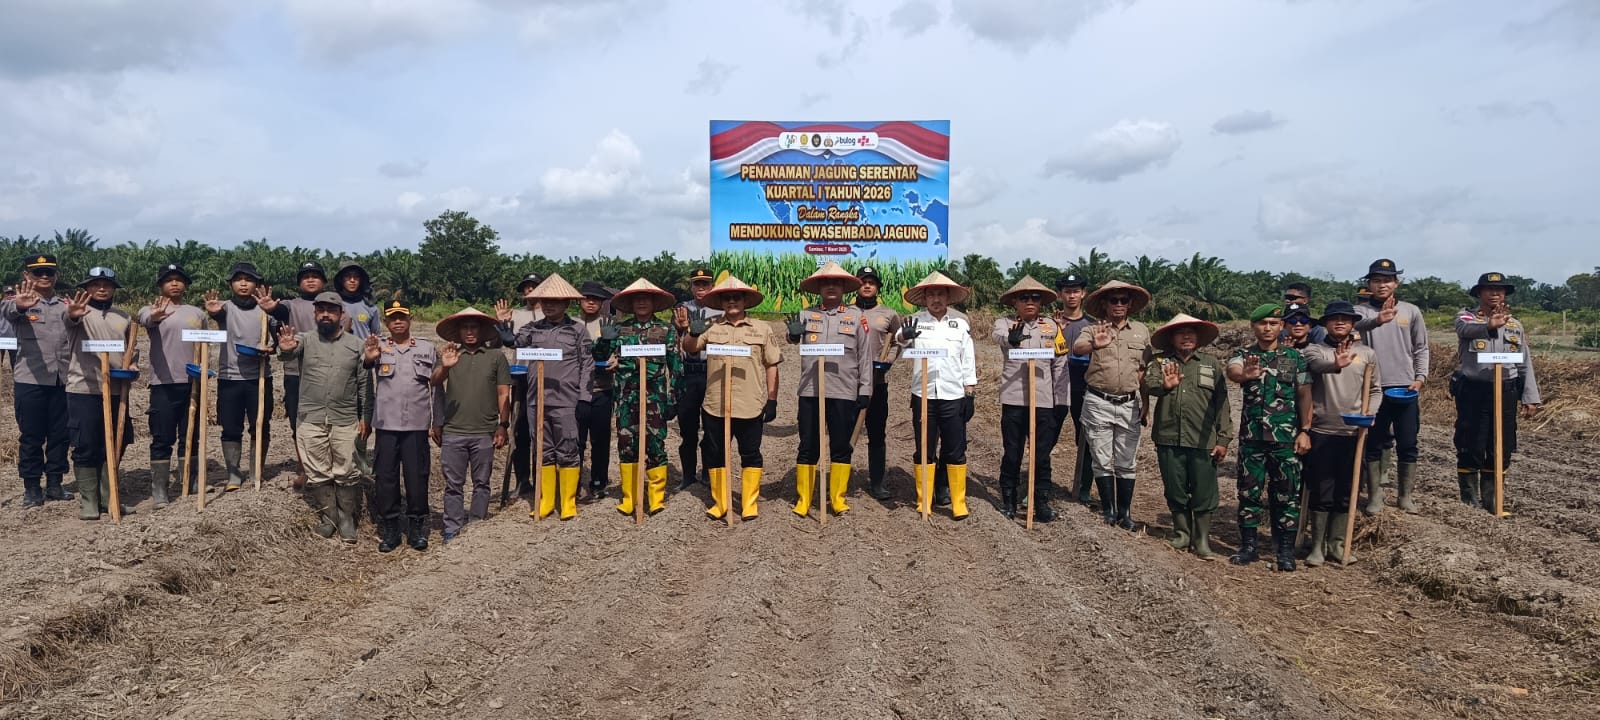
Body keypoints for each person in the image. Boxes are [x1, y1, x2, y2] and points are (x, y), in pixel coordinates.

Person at [681, 276, 781, 520]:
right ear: (721, 302)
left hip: (749, 404)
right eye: (727, 298)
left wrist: (772, 399)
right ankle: (721, 502)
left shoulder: (762, 329)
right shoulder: (711, 326)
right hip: (716, 404)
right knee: (715, 454)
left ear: (745, 301)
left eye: (737, 297)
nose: (732, 301)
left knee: (750, 453)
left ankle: (749, 503)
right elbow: (690, 348)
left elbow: (771, 364)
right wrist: (692, 332)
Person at [277, 292, 372, 544]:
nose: (326, 315)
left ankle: (347, 519)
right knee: (318, 471)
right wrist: (284, 350)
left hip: (345, 418)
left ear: (342, 314)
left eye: (331, 310)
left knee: (347, 470)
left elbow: (365, 385)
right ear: (315, 314)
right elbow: (287, 353)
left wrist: (366, 417)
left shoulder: (356, 345)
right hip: (311, 417)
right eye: (321, 310)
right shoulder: (305, 340)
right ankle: (329, 518)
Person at [1226, 303, 1314, 572]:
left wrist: (1305, 430)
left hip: (1285, 439)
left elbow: (1304, 394)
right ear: (1253, 326)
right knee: (1248, 492)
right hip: (1252, 438)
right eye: (1262, 323)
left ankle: (1285, 551)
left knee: (1286, 495)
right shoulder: (1244, 355)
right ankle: (1249, 547)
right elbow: (1232, 371)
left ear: (1281, 326)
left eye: (1273, 324)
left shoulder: (1294, 358)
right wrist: (1245, 375)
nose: (1267, 328)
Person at [784, 261, 872, 518]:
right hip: (810, 390)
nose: (831, 287)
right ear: (819, 288)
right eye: (826, 283)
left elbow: (865, 356)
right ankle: (804, 499)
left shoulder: (856, 317)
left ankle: (837, 499)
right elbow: (791, 339)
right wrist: (793, 335)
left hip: (844, 390)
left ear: (844, 288)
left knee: (841, 445)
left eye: (836, 283)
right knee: (808, 444)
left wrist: (865, 388)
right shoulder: (806, 315)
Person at [1143, 313, 1232, 560]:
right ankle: (1182, 534)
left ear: (1198, 337)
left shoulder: (1211, 364)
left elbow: (1222, 403)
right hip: (1168, 437)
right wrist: (1165, 385)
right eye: (1180, 332)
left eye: (1191, 332)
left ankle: (1202, 540)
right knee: (1175, 488)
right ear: (1171, 337)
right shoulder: (1159, 361)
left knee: (1204, 491)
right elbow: (1149, 384)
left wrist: (1223, 439)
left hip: (1203, 439)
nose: (1186, 337)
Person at [1453, 272, 1541, 514]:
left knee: (1501, 446)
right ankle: (1469, 502)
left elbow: (1524, 362)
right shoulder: (1466, 317)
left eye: (1499, 290)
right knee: (1471, 443)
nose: (1495, 294)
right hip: (1474, 390)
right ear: (1479, 293)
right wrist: (1489, 325)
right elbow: (1464, 330)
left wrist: (1530, 396)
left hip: (1506, 390)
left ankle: (1493, 501)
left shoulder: (1515, 325)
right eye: (1489, 289)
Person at [1301, 301, 1382, 566]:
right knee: (1321, 488)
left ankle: (1337, 544)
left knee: (1346, 490)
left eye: (1345, 319)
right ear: (1325, 323)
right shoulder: (1315, 351)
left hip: (1354, 431)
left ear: (1353, 324)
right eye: (1334, 319)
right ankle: (1317, 545)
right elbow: (1317, 366)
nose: (1340, 323)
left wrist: (1370, 412)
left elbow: (1375, 390)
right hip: (1322, 429)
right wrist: (1336, 363)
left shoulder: (1367, 354)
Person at [593, 278, 681, 516]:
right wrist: (605, 340)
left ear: (653, 303)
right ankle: (630, 497)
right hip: (626, 399)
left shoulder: (666, 330)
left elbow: (676, 366)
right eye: (637, 300)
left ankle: (656, 497)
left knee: (655, 445)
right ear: (631, 304)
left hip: (655, 400)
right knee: (626, 445)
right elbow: (599, 358)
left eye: (646, 299)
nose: (642, 303)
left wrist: (673, 399)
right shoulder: (620, 330)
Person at [509, 273, 594, 521]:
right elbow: (516, 342)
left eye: (555, 301)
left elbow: (587, 365)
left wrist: (584, 398)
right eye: (545, 301)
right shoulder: (532, 328)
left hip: (566, 400)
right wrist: (505, 333)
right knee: (542, 449)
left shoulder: (577, 330)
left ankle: (568, 502)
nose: (549, 305)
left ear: (566, 303)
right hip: (537, 399)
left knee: (568, 447)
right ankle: (545, 500)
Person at [1071, 280, 1153, 529]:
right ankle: (1108, 509)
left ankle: (1125, 513)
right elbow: (1077, 348)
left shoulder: (1141, 331)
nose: (1118, 304)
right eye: (1113, 300)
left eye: (1123, 300)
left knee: (1127, 460)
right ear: (1105, 304)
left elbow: (1143, 371)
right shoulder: (1094, 329)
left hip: (1129, 403)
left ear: (1129, 304)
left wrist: (1146, 403)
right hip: (1098, 402)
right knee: (1102, 458)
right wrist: (1095, 344)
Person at [1352, 258, 1429, 514]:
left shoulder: (1410, 311)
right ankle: (1375, 496)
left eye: (1387, 280)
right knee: (1374, 442)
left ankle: (1405, 496)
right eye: (1376, 280)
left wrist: (1420, 377)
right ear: (1369, 284)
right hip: (1372, 387)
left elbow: (1421, 347)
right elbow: (1351, 327)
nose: (1382, 285)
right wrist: (1378, 320)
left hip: (1405, 386)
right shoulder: (1359, 311)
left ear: (1396, 283)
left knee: (1408, 442)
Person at [203, 262, 288, 491]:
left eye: (248, 280)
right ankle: (233, 473)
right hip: (229, 377)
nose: (243, 284)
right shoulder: (225, 308)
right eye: (238, 280)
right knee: (230, 427)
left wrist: (271, 349)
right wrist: (213, 312)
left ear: (257, 284)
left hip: (259, 377)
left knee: (260, 424)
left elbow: (279, 340)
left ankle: (256, 470)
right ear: (231, 284)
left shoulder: (265, 310)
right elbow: (216, 313)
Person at [991, 276, 1070, 521]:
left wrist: (1061, 400)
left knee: (1042, 455)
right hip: (1014, 399)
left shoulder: (1051, 327)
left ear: (1041, 302)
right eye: (1023, 298)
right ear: (1014, 302)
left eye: (1035, 298)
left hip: (1044, 400)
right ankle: (1009, 500)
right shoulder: (1005, 323)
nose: (1029, 302)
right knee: (1012, 452)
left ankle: (1041, 501)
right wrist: (1011, 339)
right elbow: (999, 337)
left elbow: (1060, 363)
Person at [901, 271, 978, 520]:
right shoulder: (914, 321)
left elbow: (967, 359)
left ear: (948, 297)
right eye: (931, 294)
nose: (936, 299)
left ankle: (958, 502)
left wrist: (970, 392)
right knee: (924, 448)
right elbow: (900, 341)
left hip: (953, 394)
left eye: (940, 294)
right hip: (922, 394)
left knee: (955, 448)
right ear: (924, 298)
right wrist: (904, 336)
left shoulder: (960, 323)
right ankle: (924, 500)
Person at [431, 307, 512, 543]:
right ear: (458, 332)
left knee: (482, 483)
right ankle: (452, 528)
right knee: (453, 485)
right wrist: (446, 366)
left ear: (482, 331)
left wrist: (503, 425)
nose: (469, 332)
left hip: (484, 431)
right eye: (465, 327)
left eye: (473, 327)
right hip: (454, 431)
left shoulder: (496, 357)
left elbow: (503, 392)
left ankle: (476, 527)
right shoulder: (450, 355)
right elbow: (434, 381)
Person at [65, 267, 139, 519]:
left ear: (114, 289)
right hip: (85, 388)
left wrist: (132, 365)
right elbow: (69, 320)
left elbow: (131, 350)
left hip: (117, 389)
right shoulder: (78, 313)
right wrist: (72, 314)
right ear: (87, 288)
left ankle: (109, 498)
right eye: (96, 284)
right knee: (86, 443)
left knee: (116, 442)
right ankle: (89, 501)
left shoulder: (123, 317)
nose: (102, 288)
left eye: (107, 284)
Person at [366, 300, 438, 551]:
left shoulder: (427, 348)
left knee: (417, 477)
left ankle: (417, 525)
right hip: (386, 424)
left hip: (416, 425)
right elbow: (365, 369)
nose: (398, 321)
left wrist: (438, 422)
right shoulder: (378, 347)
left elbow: (437, 386)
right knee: (385, 477)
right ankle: (391, 527)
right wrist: (369, 358)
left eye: (402, 317)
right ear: (386, 321)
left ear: (410, 319)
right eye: (393, 318)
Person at [3, 255, 73, 508]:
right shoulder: (18, 302)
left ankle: (55, 483)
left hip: (62, 380)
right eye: (38, 272)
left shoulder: (65, 305)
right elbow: (8, 312)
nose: (44, 276)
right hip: (30, 380)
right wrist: (20, 306)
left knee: (60, 435)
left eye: (49, 272)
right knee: (31, 436)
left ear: (56, 275)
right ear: (27, 276)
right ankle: (32, 487)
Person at [138, 264, 207, 508]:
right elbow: (146, 319)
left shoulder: (197, 313)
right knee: (162, 437)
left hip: (193, 383)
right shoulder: (150, 310)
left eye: (179, 280)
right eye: (169, 280)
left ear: (185, 285)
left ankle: (190, 479)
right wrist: (155, 316)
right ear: (161, 285)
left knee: (191, 434)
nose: (175, 284)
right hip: (163, 384)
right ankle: (160, 489)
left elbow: (205, 343)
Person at [852, 265, 902, 500]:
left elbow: (899, 341)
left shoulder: (889, 314)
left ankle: (878, 482)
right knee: (843, 433)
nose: (867, 286)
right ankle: (841, 479)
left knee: (877, 433)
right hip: (849, 383)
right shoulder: (846, 312)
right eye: (863, 282)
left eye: (871, 282)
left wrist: (889, 360)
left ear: (878, 287)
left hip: (877, 382)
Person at [671, 268, 723, 489]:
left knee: (712, 427)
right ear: (691, 286)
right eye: (697, 284)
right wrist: (680, 329)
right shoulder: (682, 309)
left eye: (705, 284)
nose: (701, 288)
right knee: (688, 428)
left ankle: (709, 473)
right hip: (689, 372)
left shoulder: (721, 310)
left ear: (712, 286)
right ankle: (688, 475)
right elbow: (674, 340)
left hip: (712, 371)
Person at [495, 273, 545, 497]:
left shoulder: (551, 314)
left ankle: (542, 479)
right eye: (526, 287)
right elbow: (498, 341)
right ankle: (522, 480)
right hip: (521, 377)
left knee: (542, 431)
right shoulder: (515, 315)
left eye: (534, 286)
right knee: (521, 430)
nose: (530, 290)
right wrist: (501, 322)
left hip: (546, 377)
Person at [280, 261, 327, 489]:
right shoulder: (289, 305)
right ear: (299, 282)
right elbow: (275, 314)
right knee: (298, 422)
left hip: (326, 373)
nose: (310, 280)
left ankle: (324, 466)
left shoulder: (331, 305)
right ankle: (303, 467)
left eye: (315, 276)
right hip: (295, 373)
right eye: (305, 276)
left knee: (325, 422)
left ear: (324, 281)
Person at [1051, 273, 1096, 505]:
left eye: (1076, 291)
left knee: (1085, 439)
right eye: (1067, 291)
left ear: (1083, 294)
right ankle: (1039, 484)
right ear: (1060, 294)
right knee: (1048, 436)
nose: (1071, 296)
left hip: (1083, 387)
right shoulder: (1050, 324)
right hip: (1054, 387)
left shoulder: (1093, 325)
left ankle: (1083, 488)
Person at [333, 261, 381, 478]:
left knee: (365, 407)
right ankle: (340, 455)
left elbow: (376, 336)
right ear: (341, 280)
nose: (352, 280)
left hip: (363, 365)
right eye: (347, 276)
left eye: (356, 276)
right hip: (338, 364)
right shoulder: (333, 305)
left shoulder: (370, 308)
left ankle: (360, 454)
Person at [575, 281, 616, 501]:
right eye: (587, 298)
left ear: (602, 303)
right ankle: (574, 482)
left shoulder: (609, 324)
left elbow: (620, 349)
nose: (591, 302)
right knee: (576, 439)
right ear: (579, 301)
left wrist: (616, 357)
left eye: (596, 299)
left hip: (602, 388)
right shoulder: (571, 324)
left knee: (600, 439)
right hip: (575, 391)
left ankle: (599, 481)